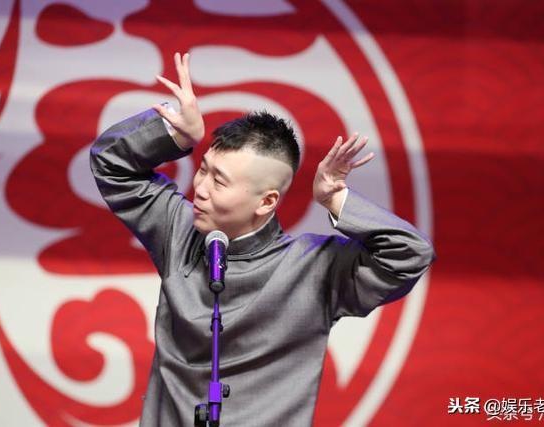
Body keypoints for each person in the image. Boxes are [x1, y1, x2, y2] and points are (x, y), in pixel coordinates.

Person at [90, 52, 435, 426]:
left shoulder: (313, 267)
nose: (200, 188)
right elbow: (110, 163)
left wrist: (336, 199)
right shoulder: (179, 229)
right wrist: (174, 136)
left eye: (219, 181)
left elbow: (410, 254)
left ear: (267, 201)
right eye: (203, 170)